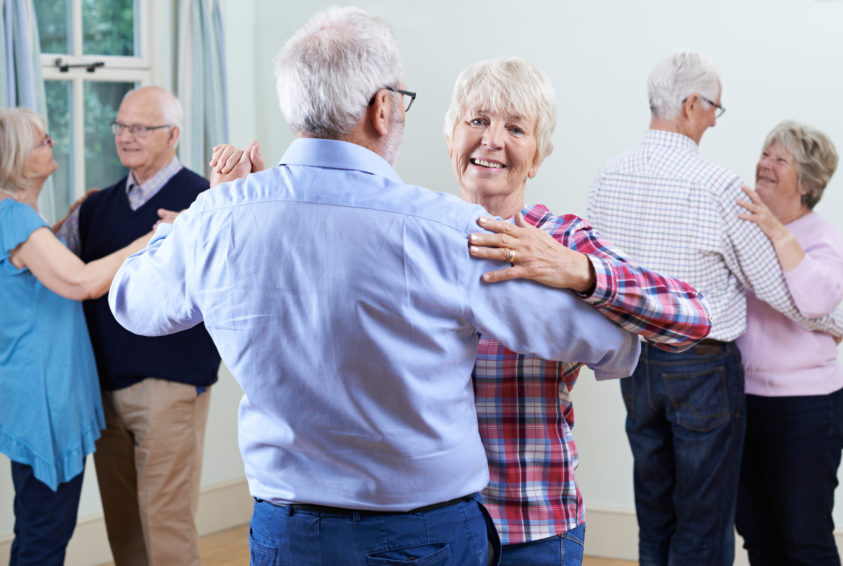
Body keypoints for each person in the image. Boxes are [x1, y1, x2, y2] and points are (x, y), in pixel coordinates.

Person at [107, 7, 642, 566]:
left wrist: (210, 207)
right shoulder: (446, 232)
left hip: (284, 534)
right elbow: (608, 342)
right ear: (382, 109)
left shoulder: (218, 217)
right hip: (422, 536)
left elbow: (133, 302)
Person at [438, 57, 711, 565]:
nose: (492, 140)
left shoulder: (562, 238)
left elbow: (690, 318)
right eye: (477, 121)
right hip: (434, 529)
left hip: (536, 526)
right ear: (451, 138)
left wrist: (579, 271)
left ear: (537, 157)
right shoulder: (417, 236)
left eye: (516, 128)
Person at [587, 51, 843, 566]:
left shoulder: (607, 176)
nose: (713, 119)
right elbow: (774, 287)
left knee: (655, 509)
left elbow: (601, 274)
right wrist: (831, 322)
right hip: (703, 368)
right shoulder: (716, 185)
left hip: (637, 363)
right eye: (714, 109)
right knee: (703, 519)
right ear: (690, 105)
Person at [55, 86, 220, 566]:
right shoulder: (96, 206)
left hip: (170, 388)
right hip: (102, 390)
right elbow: (49, 266)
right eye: (120, 126)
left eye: (140, 128)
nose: (126, 137)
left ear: (173, 135)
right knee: (123, 531)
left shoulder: (204, 202)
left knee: (166, 529)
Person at [0, 107, 153, 565]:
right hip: (44, 398)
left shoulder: (21, 221)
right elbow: (82, 282)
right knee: (46, 533)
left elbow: (34, 278)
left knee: (35, 526)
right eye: (42, 141)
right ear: (14, 158)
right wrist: (157, 234)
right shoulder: (15, 219)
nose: (53, 145)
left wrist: (68, 219)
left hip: (36, 390)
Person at [734, 121, 843, 565]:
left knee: (805, 537)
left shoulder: (822, 236)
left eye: (781, 159)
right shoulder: (744, 228)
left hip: (807, 408)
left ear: (808, 183)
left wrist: (777, 230)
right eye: (765, 153)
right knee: (758, 534)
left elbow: (818, 299)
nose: (765, 164)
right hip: (743, 402)